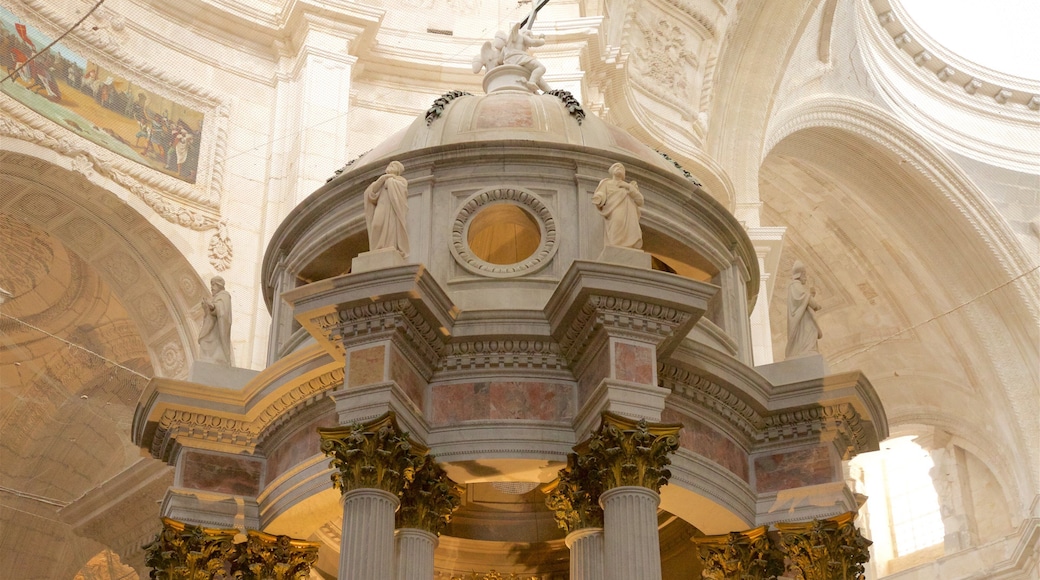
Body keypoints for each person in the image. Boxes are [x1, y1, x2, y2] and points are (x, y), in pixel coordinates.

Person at [592, 162, 644, 249]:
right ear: (611, 171)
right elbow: (601, 193)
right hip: (614, 209)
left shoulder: (629, 186)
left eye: (622, 168)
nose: (619, 168)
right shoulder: (606, 182)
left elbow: (640, 200)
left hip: (629, 213)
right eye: (616, 166)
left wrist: (628, 186)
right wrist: (599, 198)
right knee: (616, 225)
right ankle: (615, 247)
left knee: (631, 230)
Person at [364, 160, 410, 256]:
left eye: (393, 166)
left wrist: (390, 181)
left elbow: (402, 194)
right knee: (376, 225)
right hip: (381, 207)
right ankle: (376, 248)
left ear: (398, 170)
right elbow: (372, 193)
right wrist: (383, 179)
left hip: (392, 209)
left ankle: (388, 247)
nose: (390, 166)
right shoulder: (382, 180)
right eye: (390, 165)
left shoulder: (401, 180)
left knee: (391, 228)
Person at [786, 261, 822, 359]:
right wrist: (816, 305)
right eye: (804, 274)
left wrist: (810, 296)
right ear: (800, 275)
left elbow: (804, 298)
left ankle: (808, 350)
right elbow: (805, 298)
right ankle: (807, 350)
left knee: (811, 331)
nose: (805, 277)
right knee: (809, 332)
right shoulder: (795, 285)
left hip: (803, 317)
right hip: (801, 320)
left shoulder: (797, 287)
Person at [502, 23, 551, 93]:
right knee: (541, 68)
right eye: (531, 36)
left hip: (509, 61)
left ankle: (549, 91)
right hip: (520, 58)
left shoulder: (506, 46)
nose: (528, 47)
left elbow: (499, 60)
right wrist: (542, 40)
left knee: (536, 74)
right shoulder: (523, 36)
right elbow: (533, 42)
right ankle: (532, 82)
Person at [198, 276, 232, 365]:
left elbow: (223, 310)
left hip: (217, 331)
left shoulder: (225, 296)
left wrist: (213, 307)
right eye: (211, 285)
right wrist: (206, 307)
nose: (212, 288)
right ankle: (207, 358)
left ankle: (217, 358)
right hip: (211, 327)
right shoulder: (216, 297)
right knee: (203, 341)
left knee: (205, 341)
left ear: (219, 285)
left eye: (213, 285)